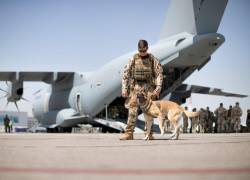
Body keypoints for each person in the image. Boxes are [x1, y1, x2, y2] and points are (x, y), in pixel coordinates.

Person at [120, 39, 163, 140]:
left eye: (144, 50)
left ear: (147, 48)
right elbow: (126, 74)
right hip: (136, 87)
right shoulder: (133, 59)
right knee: (132, 110)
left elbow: (159, 74)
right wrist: (124, 88)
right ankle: (129, 133)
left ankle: (149, 133)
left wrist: (158, 87)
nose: (142, 53)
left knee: (150, 111)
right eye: (140, 51)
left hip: (149, 87)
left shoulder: (153, 59)